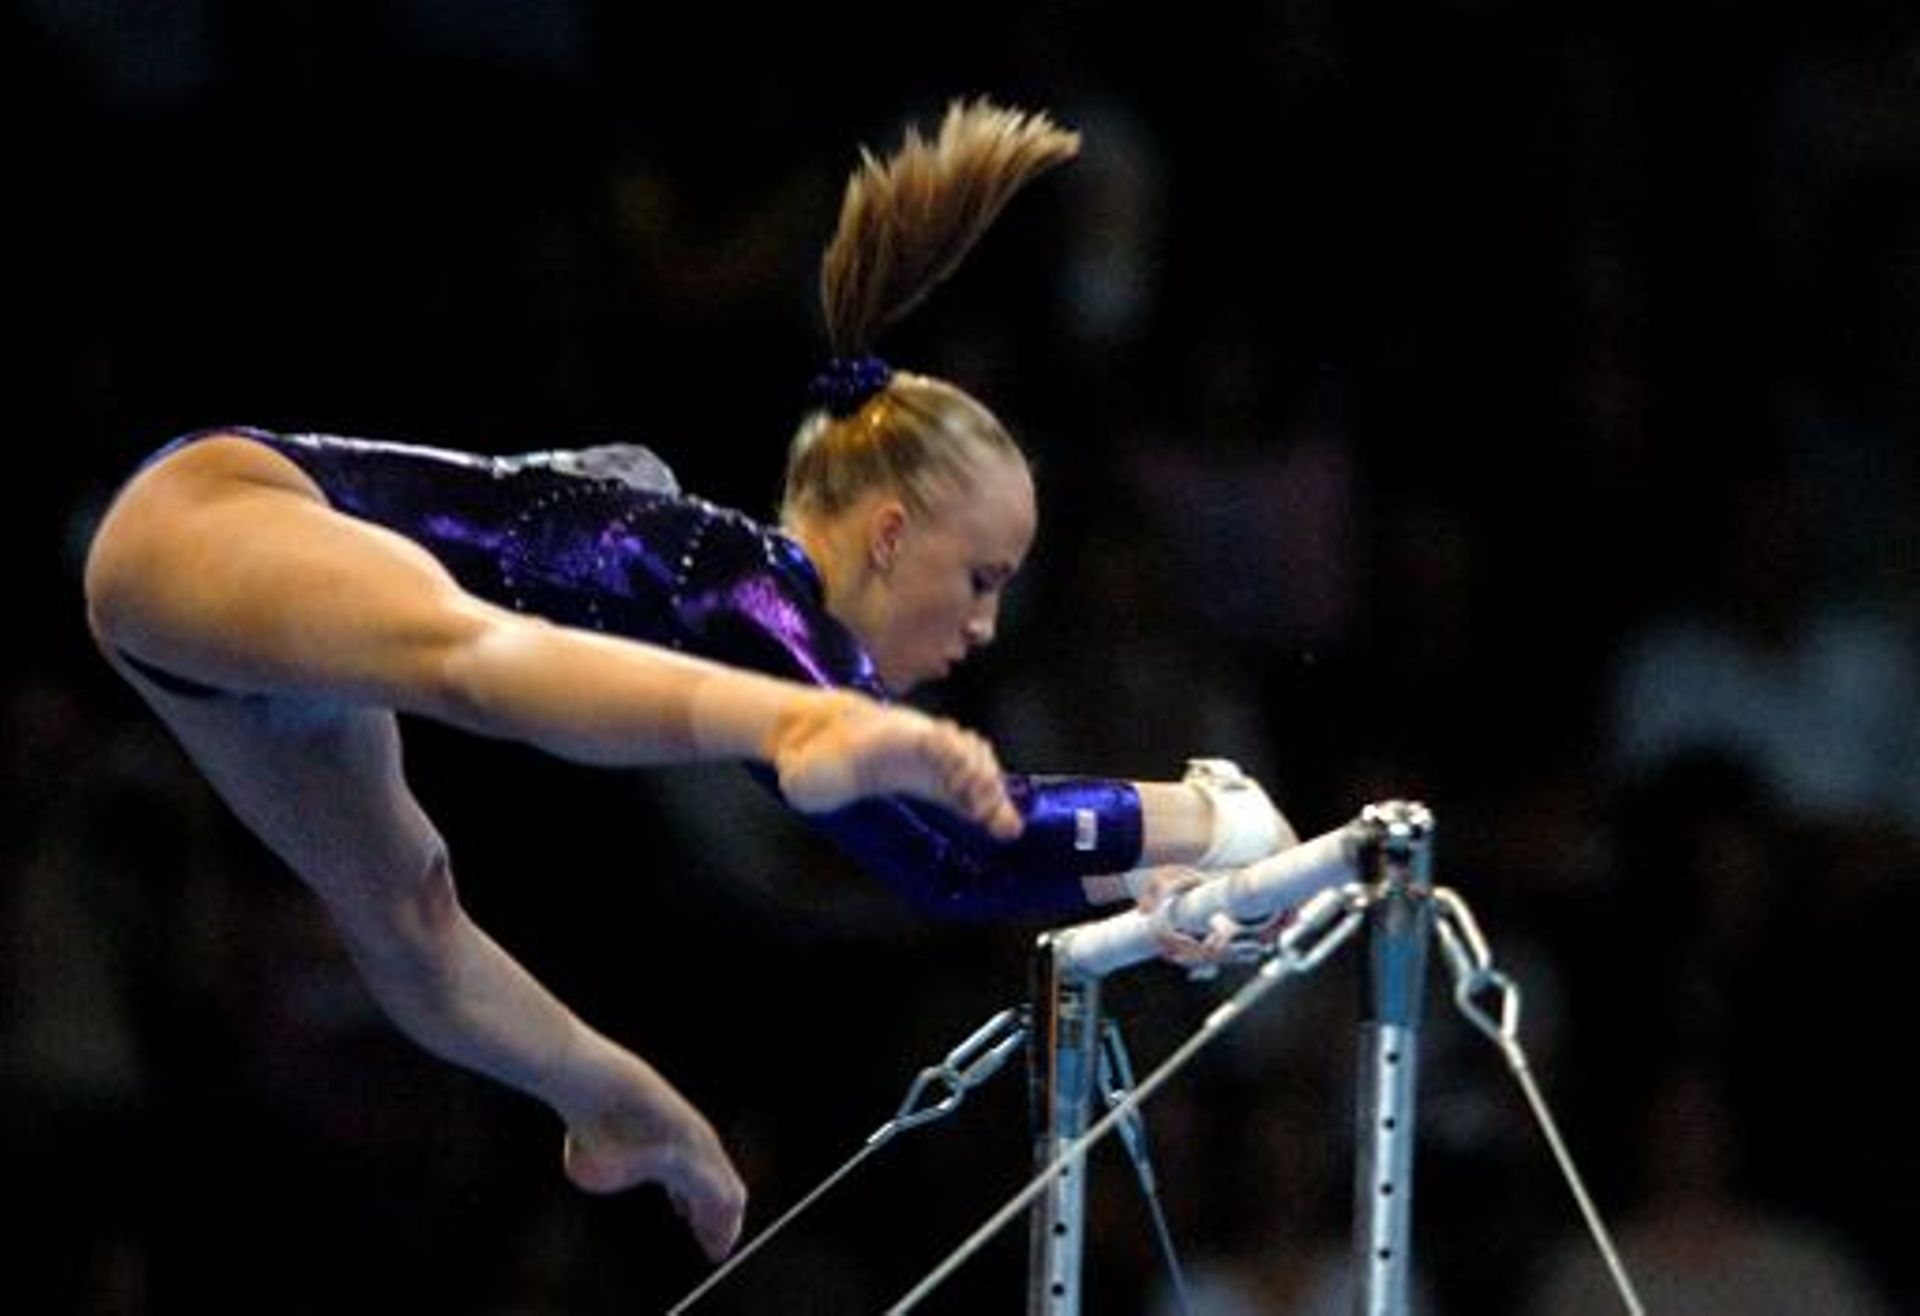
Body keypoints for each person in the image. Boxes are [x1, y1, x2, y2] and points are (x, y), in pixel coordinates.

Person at [80, 98, 1298, 1262]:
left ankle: (621, 1105)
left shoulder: (773, 618)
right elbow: (951, 852)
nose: (987, 625)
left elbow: (951, 858)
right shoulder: (752, 594)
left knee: (412, 916)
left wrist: (1140, 864)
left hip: (260, 649)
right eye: (979, 577)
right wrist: (1204, 808)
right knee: (473, 664)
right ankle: (817, 761)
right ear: (886, 534)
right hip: (230, 523)